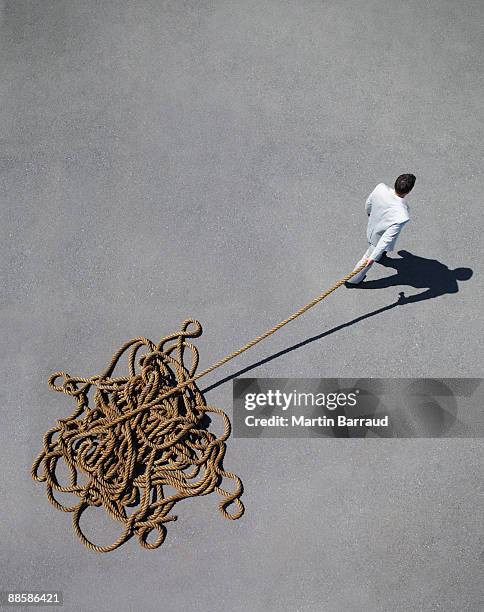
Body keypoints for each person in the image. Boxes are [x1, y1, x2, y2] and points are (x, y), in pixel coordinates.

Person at [346, 174, 416, 286]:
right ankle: (352, 280)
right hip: (378, 238)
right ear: (409, 191)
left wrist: (370, 214)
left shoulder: (380, 188)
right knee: (367, 259)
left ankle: (380, 255)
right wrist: (373, 257)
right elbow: (386, 238)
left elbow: (368, 203)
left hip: (372, 227)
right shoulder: (402, 215)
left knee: (378, 251)